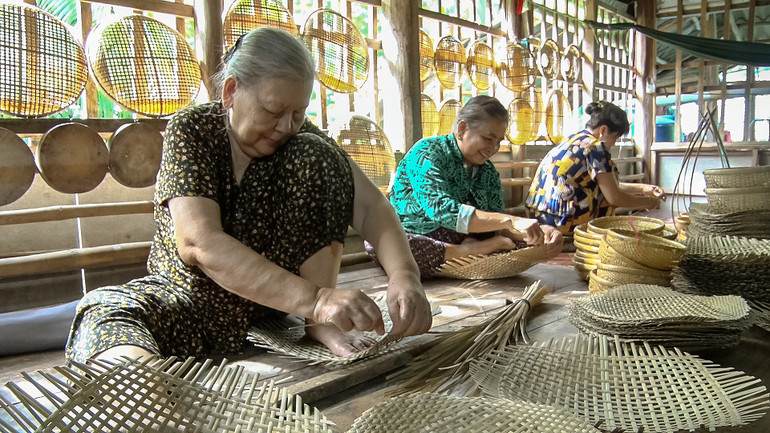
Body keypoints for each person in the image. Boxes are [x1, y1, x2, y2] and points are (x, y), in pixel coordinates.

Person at [65, 27, 432, 363]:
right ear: (230, 92)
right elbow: (199, 242)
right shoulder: (192, 130)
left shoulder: (299, 140)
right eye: (273, 110)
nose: (285, 126)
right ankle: (143, 384)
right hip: (190, 305)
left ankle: (317, 324)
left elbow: (371, 207)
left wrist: (404, 275)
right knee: (103, 310)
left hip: (268, 309)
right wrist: (317, 300)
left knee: (320, 152)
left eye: (298, 113)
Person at [367, 95, 563, 278]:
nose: (493, 148)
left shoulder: (487, 173)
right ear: (461, 129)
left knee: (527, 244)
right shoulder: (427, 152)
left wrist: (541, 232)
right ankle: (469, 251)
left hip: (466, 237)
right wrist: (509, 221)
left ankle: (469, 249)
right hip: (418, 234)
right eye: (488, 138)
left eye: (498, 142)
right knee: (383, 245)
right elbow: (443, 210)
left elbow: (497, 224)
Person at [526, 100, 664, 235]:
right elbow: (614, 197)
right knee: (605, 198)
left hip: (537, 216)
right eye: (615, 138)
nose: (614, 144)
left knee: (600, 189)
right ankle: (597, 238)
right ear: (603, 130)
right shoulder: (595, 147)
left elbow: (606, 184)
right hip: (561, 221)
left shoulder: (573, 140)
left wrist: (644, 189)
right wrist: (648, 202)